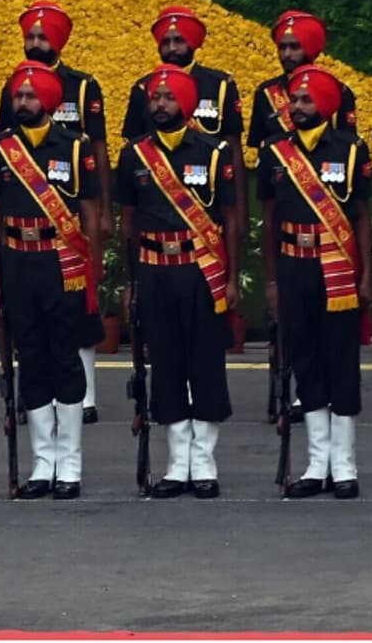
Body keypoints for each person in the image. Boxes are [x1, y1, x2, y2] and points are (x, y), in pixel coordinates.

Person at [117, 64, 239, 499]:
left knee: (205, 363)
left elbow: (231, 220)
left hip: (201, 270)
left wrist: (232, 278)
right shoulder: (134, 155)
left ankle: (203, 463)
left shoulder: (213, 152)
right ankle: (176, 465)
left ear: (186, 104)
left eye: (169, 98)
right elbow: (128, 224)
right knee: (166, 364)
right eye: (156, 97)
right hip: (154, 270)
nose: (160, 104)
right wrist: (131, 282)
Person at [0, 61, 101, 500]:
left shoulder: (74, 148)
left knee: (65, 359)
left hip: (62, 264)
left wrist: (91, 270)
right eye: (18, 95)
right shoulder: (1, 149)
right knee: (30, 359)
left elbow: (90, 213)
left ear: (48, 102)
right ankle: (42, 462)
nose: (23, 102)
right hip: (18, 263)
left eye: (31, 96)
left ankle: (69, 464)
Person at [259, 65, 369, 500]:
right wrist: (272, 280)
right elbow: (268, 222)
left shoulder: (351, 149)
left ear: (324, 104)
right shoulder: (275, 152)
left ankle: (344, 466)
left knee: (340, 362)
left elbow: (361, 216)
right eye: (294, 100)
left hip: (337, 268)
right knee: (304, 361)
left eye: (306, 100)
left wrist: (367, 275)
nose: (297, 107)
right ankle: (316, 464)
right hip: (294, 265)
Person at [0, 0, 108, 424]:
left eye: (42, 37)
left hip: (72, 213)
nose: (35, 43)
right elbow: (5, 144)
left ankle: (85, 396)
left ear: (57, 41)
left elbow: (99, 148)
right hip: (27, 212)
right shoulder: (14, 87)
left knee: (79, 308)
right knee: (31, 317)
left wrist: (104, 211)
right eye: (30, 36)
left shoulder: (83, 87)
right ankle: (36, 392)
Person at [121, 6, 245, 236]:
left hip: (207, 199)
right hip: (157, 199)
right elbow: (134, 149)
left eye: (179, 41)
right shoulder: (143, 88)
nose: (172, 48)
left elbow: (234, 148)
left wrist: (240, 212)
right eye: (165, 42)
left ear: (193, 43)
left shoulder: (220, 85)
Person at [248, 11, 357, 148]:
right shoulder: (266, 92)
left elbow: (348, 145)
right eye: (282, 47)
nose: (287, 54)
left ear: (309, 49)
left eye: (294, 47)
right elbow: (258, 145)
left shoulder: (337, 91)